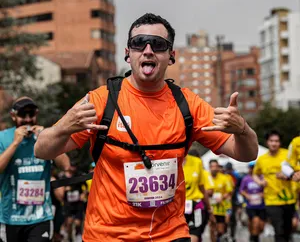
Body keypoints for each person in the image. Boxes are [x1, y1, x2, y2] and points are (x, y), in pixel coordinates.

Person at [34, 13, 258, 241]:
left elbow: (246, 153)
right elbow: (42, 150)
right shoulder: (102, 101)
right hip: (107, 234)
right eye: (139, 43)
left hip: (170, 234)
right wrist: (63, 126)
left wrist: (242, 130)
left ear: (171, 56)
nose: (148, 50)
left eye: (158, 45)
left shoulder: (188, 105)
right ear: (127, 53)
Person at [0, 97, 70, 242]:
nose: (27, 120)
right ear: (13, 116)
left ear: (36, 114)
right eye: (22, 115)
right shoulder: (3, 137)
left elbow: (65, 165)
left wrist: (48, 141)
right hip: (11, 218)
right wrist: (15, 143)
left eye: (31, 114)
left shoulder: (44, 136)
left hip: (40, 217)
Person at [253, 130, 296, 242]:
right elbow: (255, 174)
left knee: (288, 229)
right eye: (271, 141)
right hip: (271, 199)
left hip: (289, 198)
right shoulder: (262, 159)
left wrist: (287, 175)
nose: (274, 143)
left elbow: (297, 171)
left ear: (280, 143)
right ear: (267, 142)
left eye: (276, 141)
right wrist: (260, 182)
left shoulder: (288, 155)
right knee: (279, 228)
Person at [183, 149, 215, 242]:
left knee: (195, 234)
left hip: (196, 205)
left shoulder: (197, 162)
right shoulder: (169, 161)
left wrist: (209, 210)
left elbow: (203, 188)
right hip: (177, 208)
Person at [239, 161, 265, 242]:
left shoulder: (262, 178)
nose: (253, 169)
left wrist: (263, 194)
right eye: (251, 168)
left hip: (261, 206)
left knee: (261, 227)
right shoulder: (246, 179)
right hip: (250, 206)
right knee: (255, 222)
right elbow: (241, 190)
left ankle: (253, 235)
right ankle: (254, 239)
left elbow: (267, 189)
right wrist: (247, 195)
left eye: (254, 167)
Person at [209, 159, 233, 242]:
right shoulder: (206, 178)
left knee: (220, 230)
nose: (214, 168)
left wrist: (222, 198)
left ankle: (222, 237)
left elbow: (229, 191)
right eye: (212, 166)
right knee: (212, 229)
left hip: (221, 208)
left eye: (216, 166)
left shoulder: (224, 178)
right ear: (209, 167)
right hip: (210, 208)